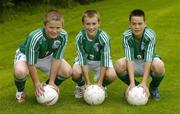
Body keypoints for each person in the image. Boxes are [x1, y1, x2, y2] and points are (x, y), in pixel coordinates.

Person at [13, 9, 72, 103]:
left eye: (58, 28)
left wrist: (52, 81)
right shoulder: (35, 37)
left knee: (67, 71)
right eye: (51, 27)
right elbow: (31, 63)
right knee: (20, 71)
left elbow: (57, 58)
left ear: (62, 27)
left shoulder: (63, 35)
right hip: (26, 55)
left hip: (46, 55)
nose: (55, 31)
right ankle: (20, 91)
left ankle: (48, 85)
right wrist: (36, 83)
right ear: (45, 26)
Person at [114, 9, 165, 100]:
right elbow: (129, 59)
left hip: (148, 62)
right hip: (134, 61)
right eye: (134, 24)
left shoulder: (150, 35)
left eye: (140, 24)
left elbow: (148, 59)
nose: (137, 27)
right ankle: (136, 87)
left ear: (145, 24)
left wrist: (144, 82)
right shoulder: (126, 35)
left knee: (159, 66)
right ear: (129, 24)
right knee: (118, 65)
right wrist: (132, 83)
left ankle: (153, 88)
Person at [72, 10, 116, 98]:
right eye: (88, 24)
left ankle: (101, 87)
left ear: (99, 23)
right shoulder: (80, 37)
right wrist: (88, 83)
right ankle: (81, 86)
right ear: (83, 24)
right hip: (86, 60)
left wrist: (99, 83)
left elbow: (105, 60)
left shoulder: (104, 37)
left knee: (111, 75)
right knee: (74, 72)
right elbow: (82, 60)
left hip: (100, 60)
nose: (91, 27)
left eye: (94, 23)